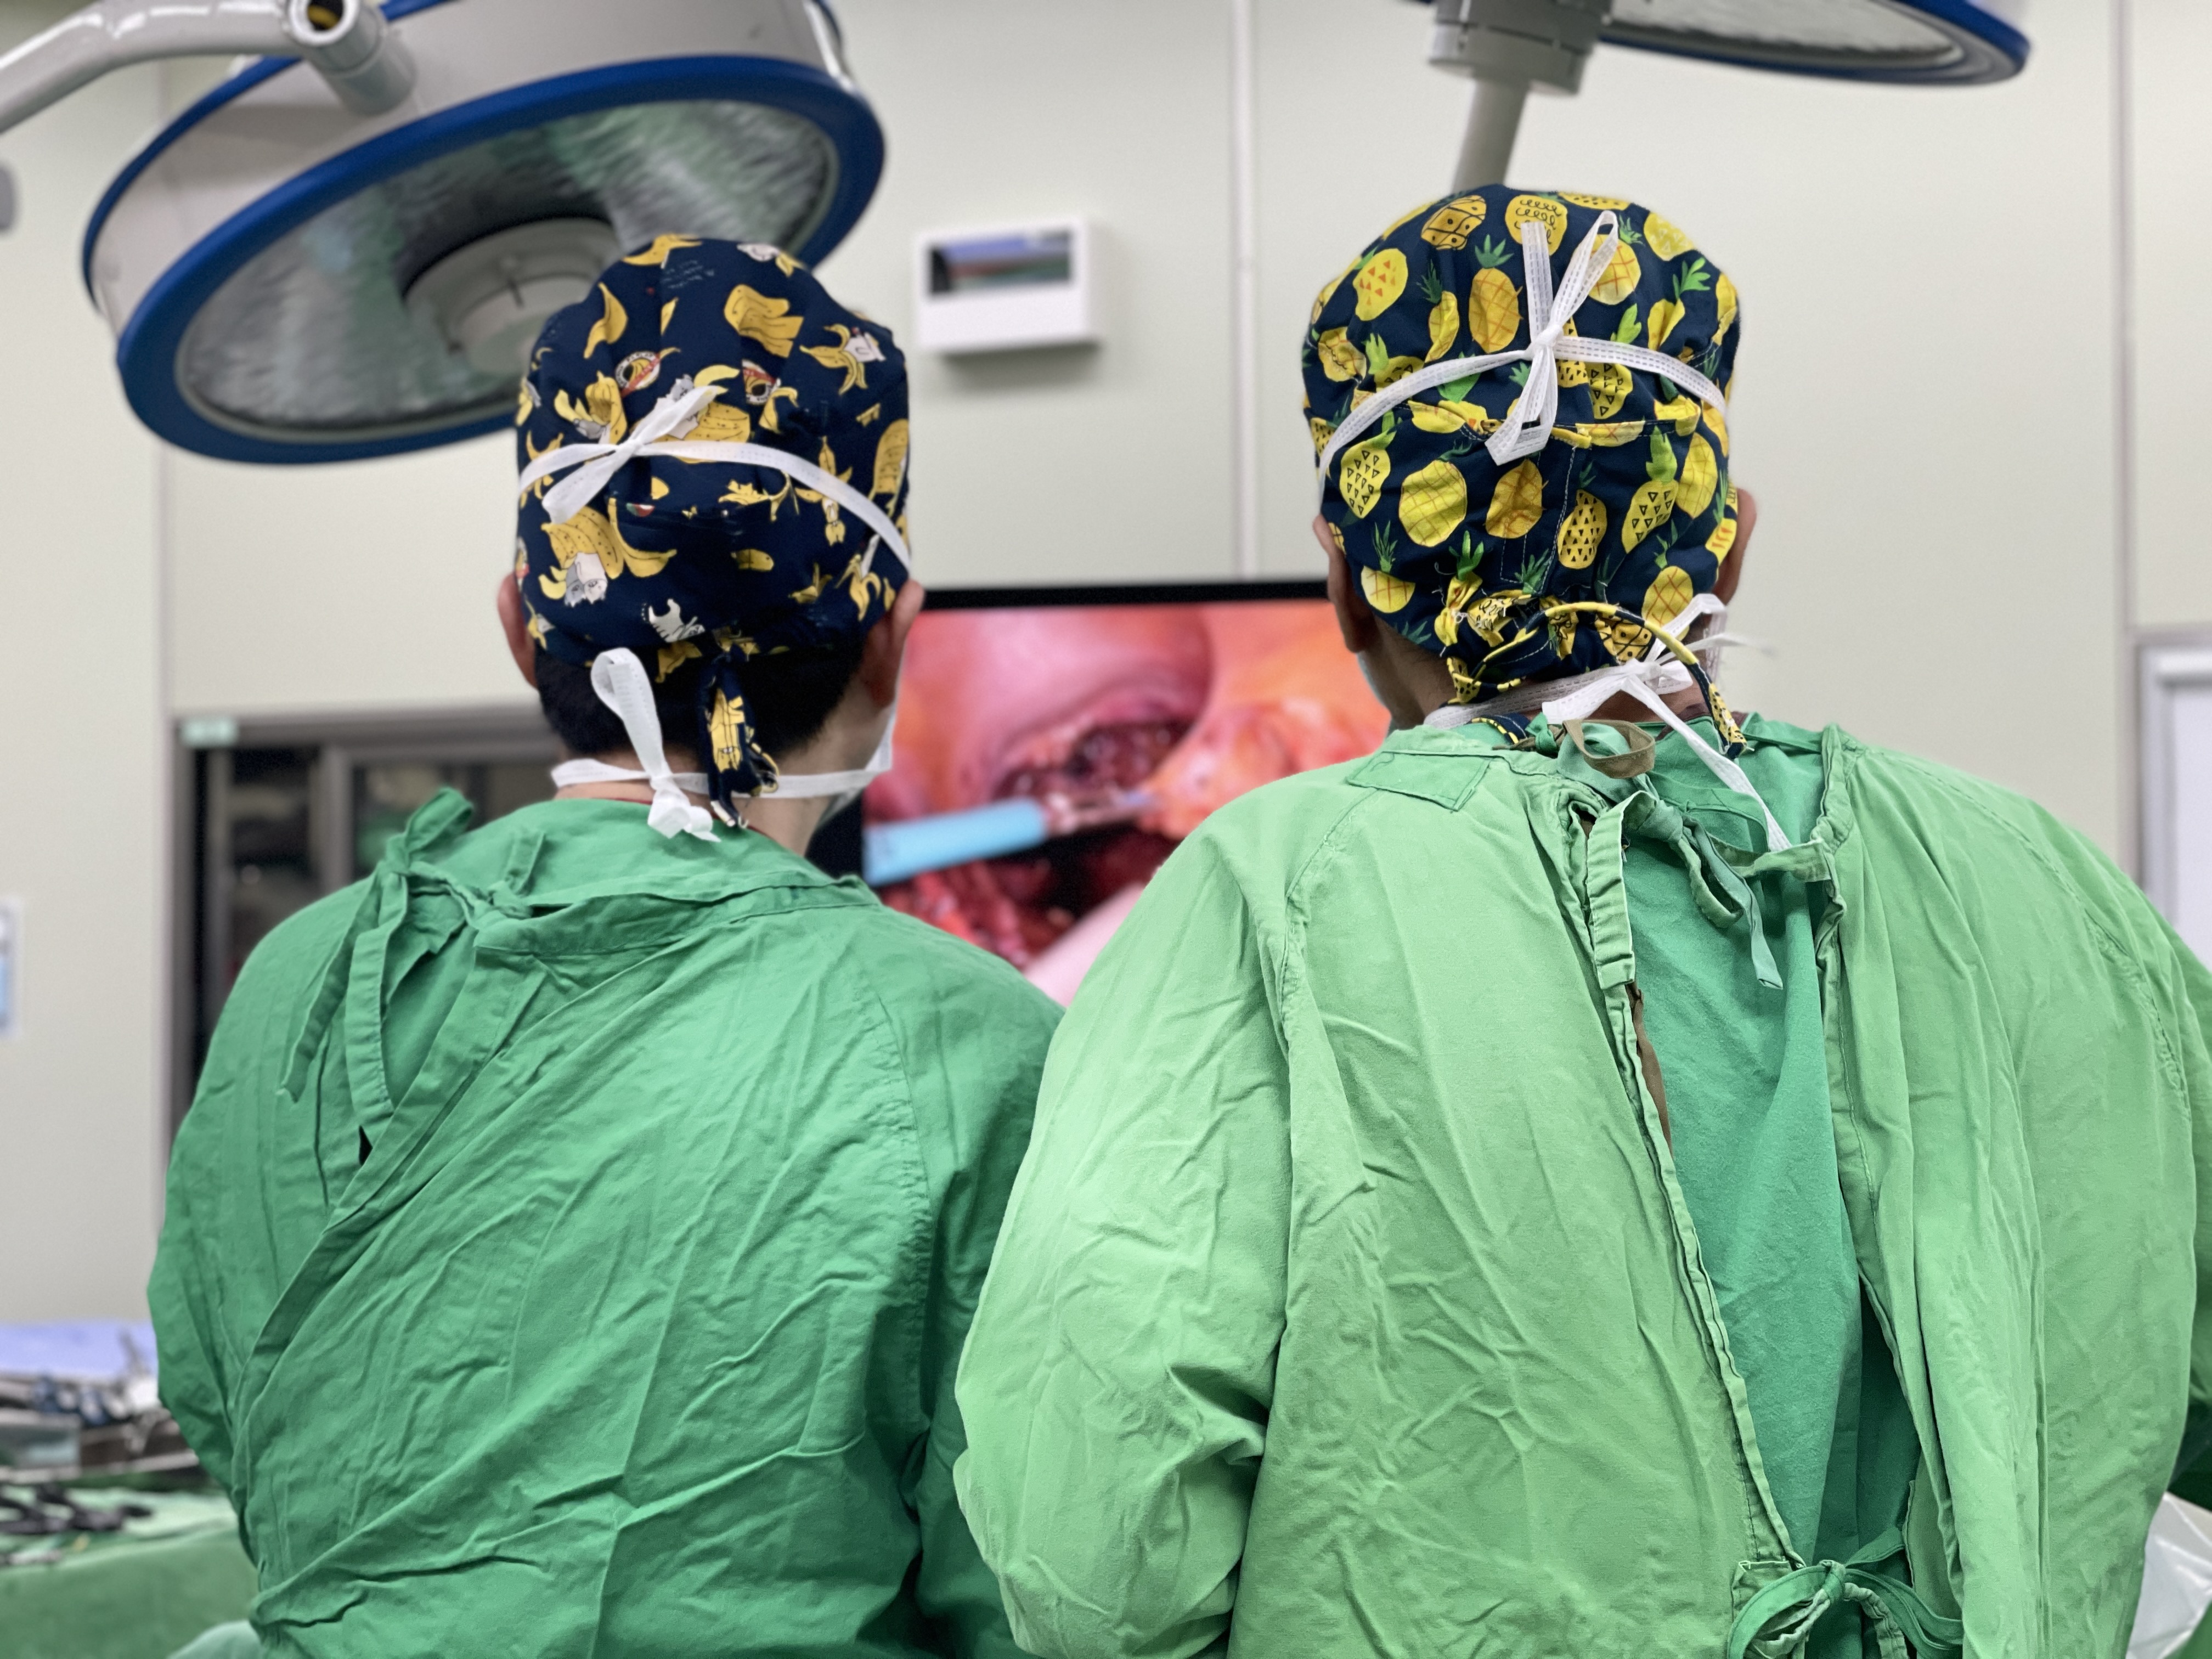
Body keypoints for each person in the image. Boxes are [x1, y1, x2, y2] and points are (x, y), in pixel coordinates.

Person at [951, 186, 2212, 1657]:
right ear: (1725, 550)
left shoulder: (1272, 895)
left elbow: (1096, 1552)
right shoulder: (2039, 882)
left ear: (1349, 582)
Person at [149, 239, 1059, 1656]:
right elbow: (1031, 1580)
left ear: (524, 629)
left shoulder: (301, 977)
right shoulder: (974, 1050)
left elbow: (241, 1420)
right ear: (888, 641)